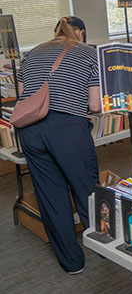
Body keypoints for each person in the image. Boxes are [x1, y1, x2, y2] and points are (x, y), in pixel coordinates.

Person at [16, 16, 100, 274]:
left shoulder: (31, 54)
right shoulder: (89, 53)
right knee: (86, 189)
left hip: (30, 130)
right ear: (81, 33)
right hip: (67, 128)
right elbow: (95, 105)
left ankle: (71, 263)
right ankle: (104, 247)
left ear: (55, 33)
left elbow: (22, 96)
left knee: (50, 196)